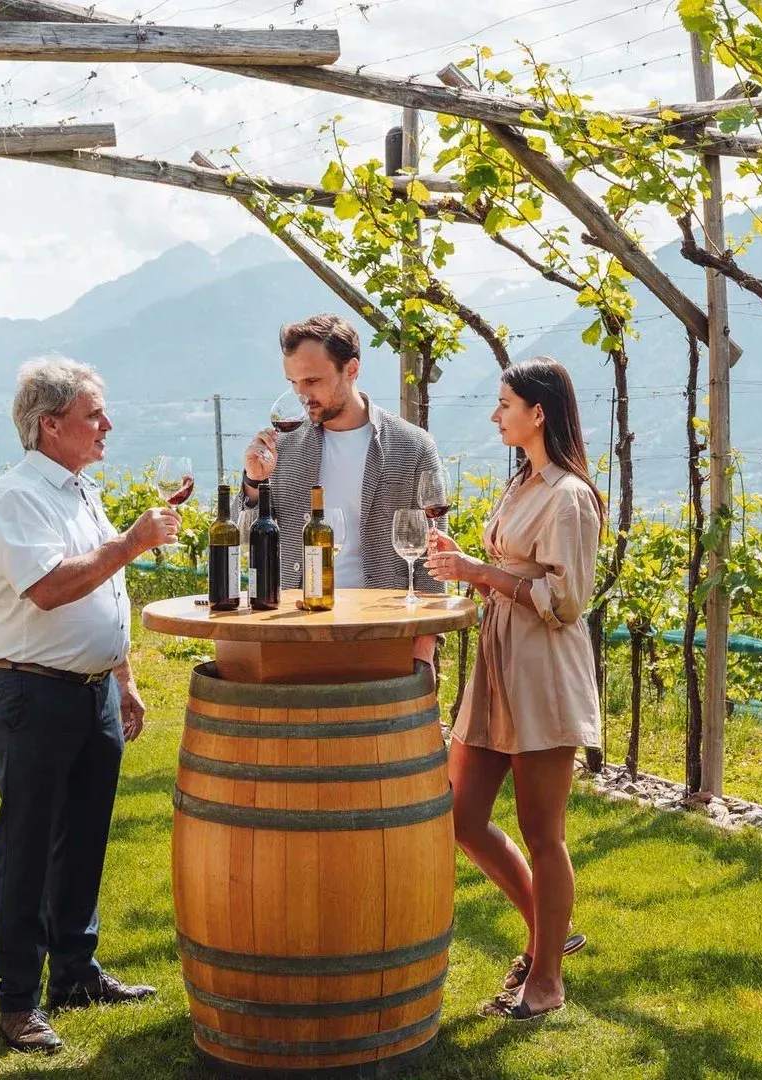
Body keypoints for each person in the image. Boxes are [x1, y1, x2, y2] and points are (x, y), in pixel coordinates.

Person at [0, 357, 181, 1054]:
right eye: (94, 415)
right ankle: (17, 1002)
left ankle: (75, 972)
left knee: (84, 840)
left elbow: (102, 591)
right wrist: (133, 541)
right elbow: (52, 588)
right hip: (33, 694)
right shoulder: (15, 498)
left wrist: (121, 674)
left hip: (91, 693)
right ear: (49, 424)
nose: (107, 426)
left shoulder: (79, 490)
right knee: (28, 848)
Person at [423, 356, 601, 1022]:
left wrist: (482, 571)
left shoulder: (569, 496)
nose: (496, 415)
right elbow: (509, 570)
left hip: (543, 674)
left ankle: (547, 979)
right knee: (461, 816)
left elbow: (565, 600)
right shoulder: (522, 483)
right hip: (497, 667)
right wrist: (469, 568)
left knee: (541, 831)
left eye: (505, 404)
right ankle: (547, 936)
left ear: (539, 413)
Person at [240, 313, 447, 620]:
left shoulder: (413, 446)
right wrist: (253, 484)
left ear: (351, 369)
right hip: (291, 622)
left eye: (312, 381)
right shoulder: (282, 445)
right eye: (293, 383)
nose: (301, 396)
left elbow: (433, 554)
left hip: (382, 622)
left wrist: (426, 641)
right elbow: (243, 541)